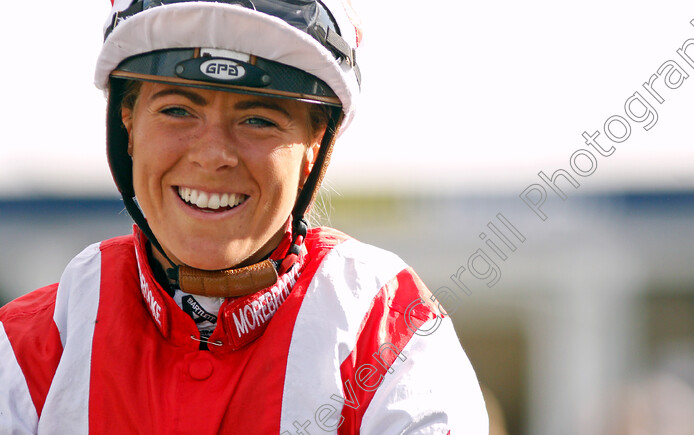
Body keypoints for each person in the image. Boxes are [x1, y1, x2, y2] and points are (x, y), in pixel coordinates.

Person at [0, 0, 488, 433]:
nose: (213, 155)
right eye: (177, 110)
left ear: (315, 146)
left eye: (258, 119)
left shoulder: (390, 337)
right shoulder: (29, 349)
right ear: (127, 123)